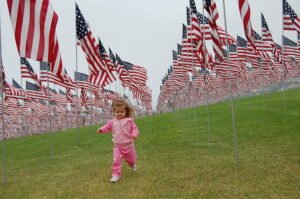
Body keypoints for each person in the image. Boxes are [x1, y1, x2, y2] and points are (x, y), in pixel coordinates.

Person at [97, 100, 139, 183]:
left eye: (122, 111)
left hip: (128, 145)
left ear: (125, 111)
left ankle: (132, 164)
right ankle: (116, 175)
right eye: (117, 112)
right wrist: (102, 129)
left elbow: (135, 129)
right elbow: (107, 127)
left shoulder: (129, 121)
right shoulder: (112, 122)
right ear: (114, 112)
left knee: (132, 159)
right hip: (117, 146)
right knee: (116, 160)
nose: (119, 113)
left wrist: (134, 134)